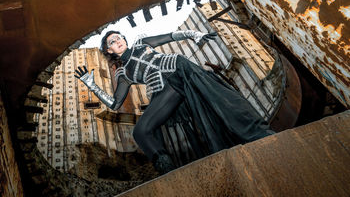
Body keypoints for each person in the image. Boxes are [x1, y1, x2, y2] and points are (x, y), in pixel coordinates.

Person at [75, 30, 274, 174]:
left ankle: (258, 132)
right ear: (108, 50)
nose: (118, 40)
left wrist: (194, 35)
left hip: (178, 70)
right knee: (140, 131)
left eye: (119, 37)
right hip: (164, 92)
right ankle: (169, 172)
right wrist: (92, 85)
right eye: (112, 41)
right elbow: (115, 104)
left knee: (218, 99)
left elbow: (170, 36)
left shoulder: (142, 42)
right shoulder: (123, 73)